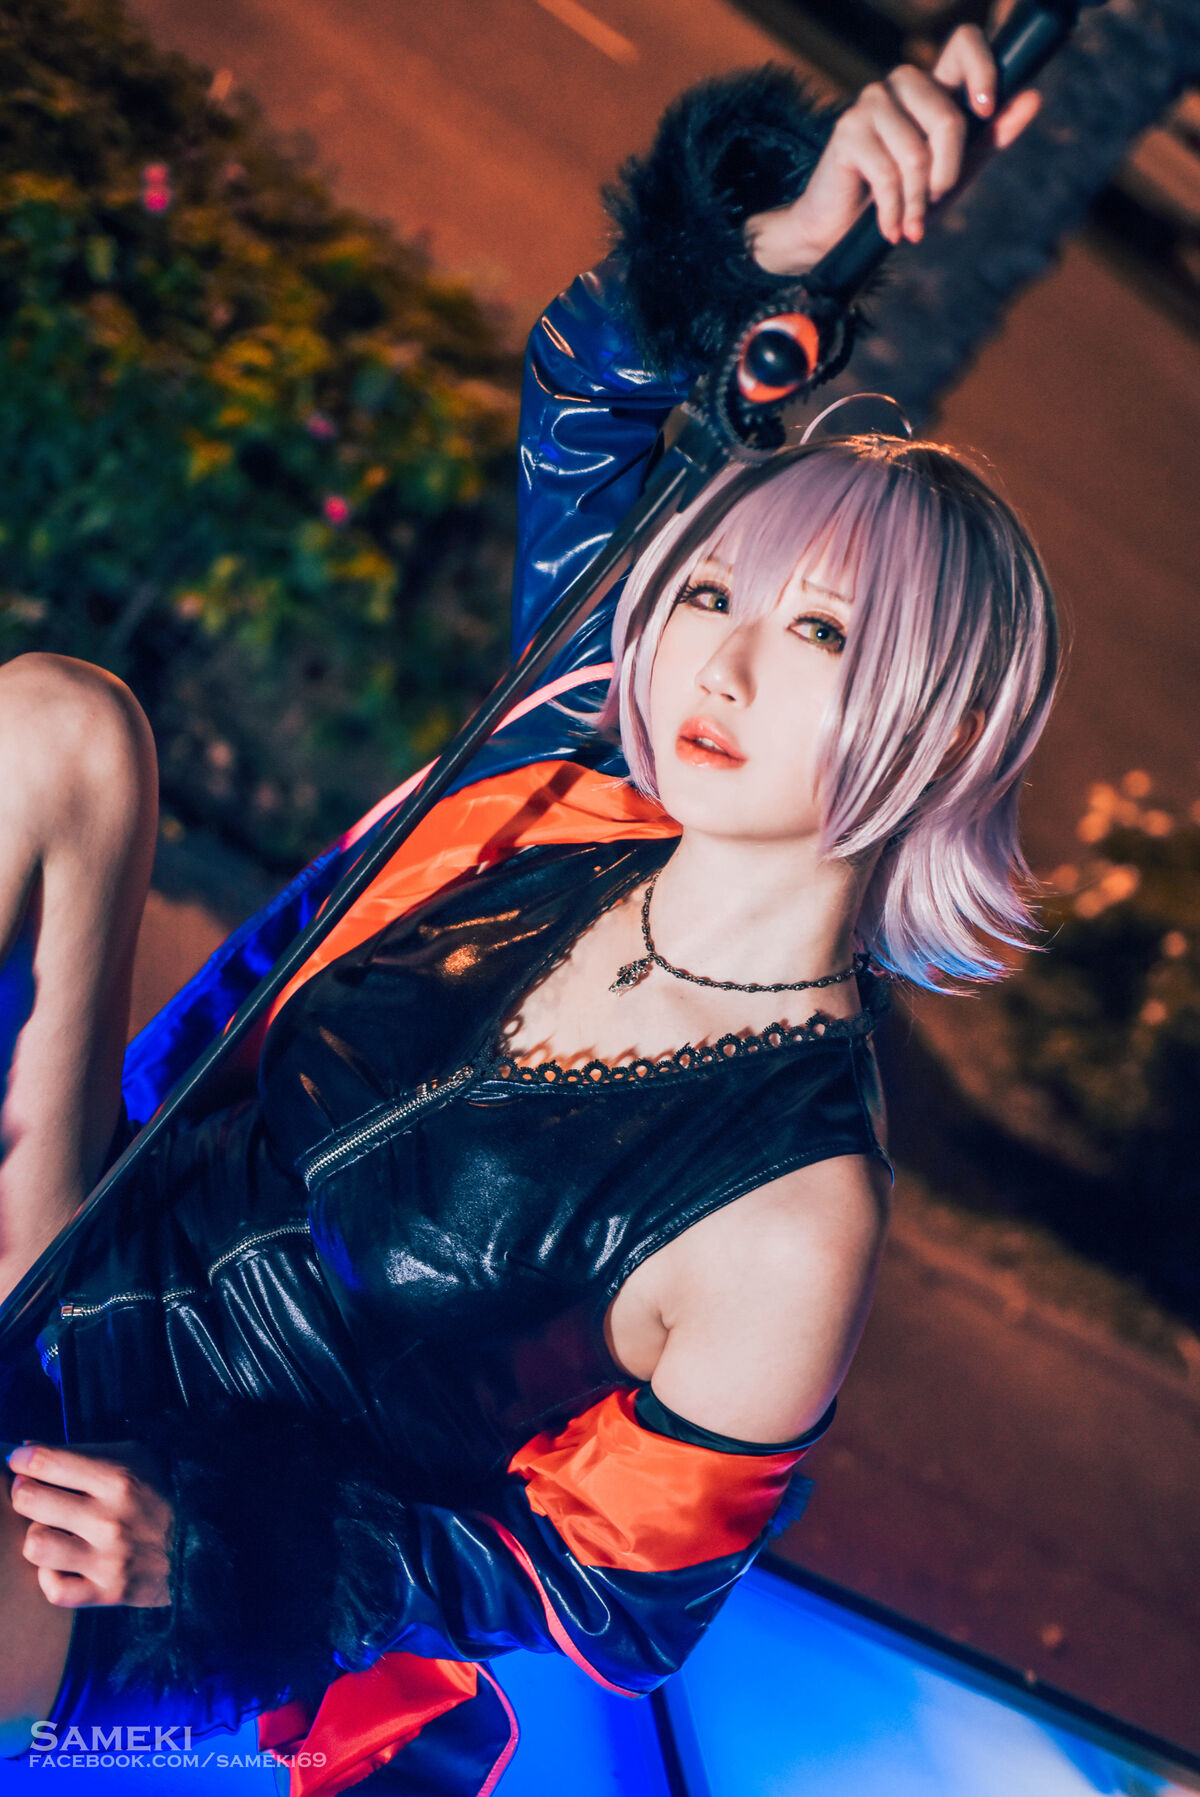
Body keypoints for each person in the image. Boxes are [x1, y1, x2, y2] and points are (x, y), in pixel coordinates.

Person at [0, 28, 1051, 1795]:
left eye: (814, 631)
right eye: (707, 589)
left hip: (152, 1548)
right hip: (73, 1243)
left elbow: (610, 1590)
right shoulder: (574, 779)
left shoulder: (791, 1202)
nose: (717, 660)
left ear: (941, 728)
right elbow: (597, 381)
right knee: (59, 729)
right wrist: (794, 240)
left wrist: (224, 1545)